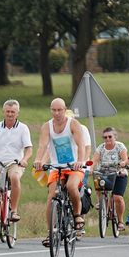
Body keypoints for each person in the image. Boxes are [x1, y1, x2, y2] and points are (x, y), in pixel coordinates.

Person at [33, 98, 90, 238]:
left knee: (71, 186)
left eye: (59, 110)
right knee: (51, 197)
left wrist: (80, 161)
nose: (57, 113)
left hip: (74, 166)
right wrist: (38, 160)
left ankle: (77, 215)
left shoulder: (73, 124)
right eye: (54, 110)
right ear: (50, 110)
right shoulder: (47, 126)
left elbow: (81, 145)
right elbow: (43, 145)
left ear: (65, 110)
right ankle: (50, 233)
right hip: (56, 166)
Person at [91, 127, 129, 230]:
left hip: (118, 173)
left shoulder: (120, 146)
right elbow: (94, 160)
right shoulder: (101, 148)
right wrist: (90, 169)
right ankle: (101, 201)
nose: (107, 139)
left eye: (110, 137)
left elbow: (125, 158)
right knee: (97, 178)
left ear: (115, 137)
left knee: (118, 198)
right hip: (105, 174)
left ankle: (120, 221)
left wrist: (123, 163)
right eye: (105, 137)